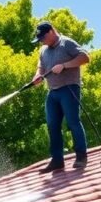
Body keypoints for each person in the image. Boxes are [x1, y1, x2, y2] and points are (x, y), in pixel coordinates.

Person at [31, 21, 90, 172]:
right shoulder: (44, 50)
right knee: (52, 125)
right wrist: (38, 75)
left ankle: (81, 157)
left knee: (73, 122)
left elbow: (85, 57)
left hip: (69, 89)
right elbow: (41, 65)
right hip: (53, 92)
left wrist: (64, 66)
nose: (42, 42)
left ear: (51, 31)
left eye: (43, 38)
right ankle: (57, 160)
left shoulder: (66, 43)